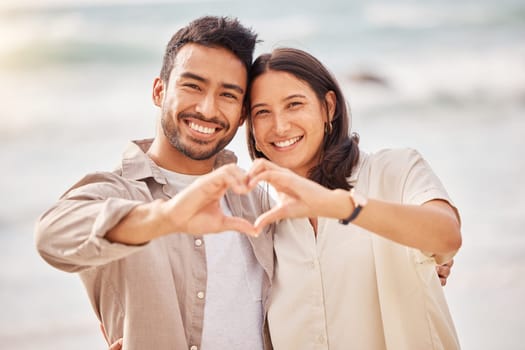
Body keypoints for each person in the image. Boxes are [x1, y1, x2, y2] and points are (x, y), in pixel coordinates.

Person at [34, 16, 274, 350]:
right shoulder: (118, 191)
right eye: (193, 86)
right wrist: (165, 218)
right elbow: (51, 236)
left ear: (242, 113)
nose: (207, 108)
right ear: (159, 91)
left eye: (228, 95)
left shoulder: (257, 201)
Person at [244, 47, 462, 349]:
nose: (280, 126)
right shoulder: (258, 217)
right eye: (262, 112)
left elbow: (447, 236)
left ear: (328, 107)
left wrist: (339, 205)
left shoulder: (394, 170)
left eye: (294, 105)